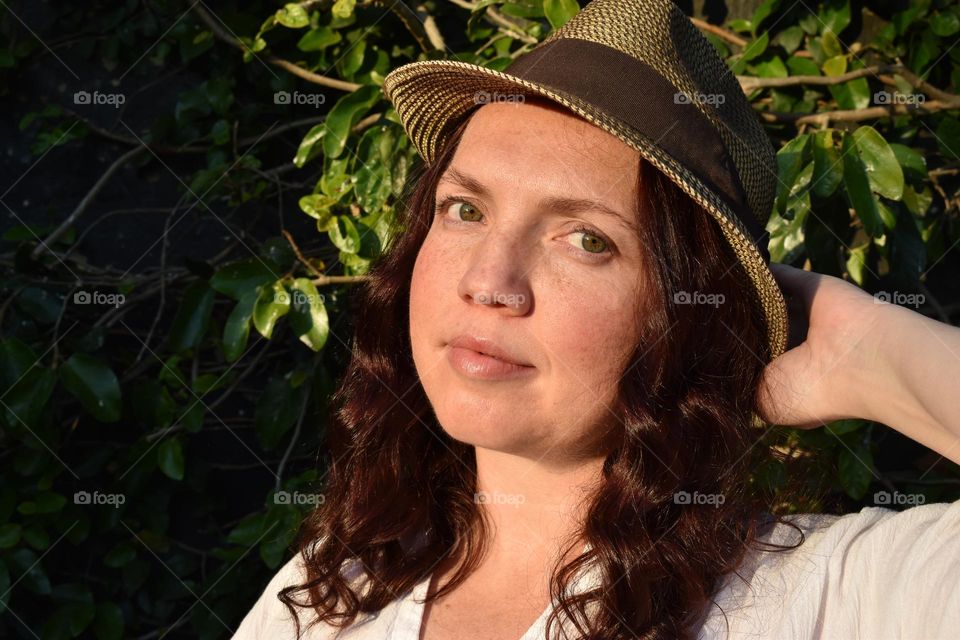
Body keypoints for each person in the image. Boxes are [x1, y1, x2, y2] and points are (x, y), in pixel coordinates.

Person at [233, 1, 960, 638]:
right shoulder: (333, 592)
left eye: (586, 240)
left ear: (684, 311)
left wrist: (870, 350)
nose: (489, 282)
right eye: (465, 209)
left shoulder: (842, 593)